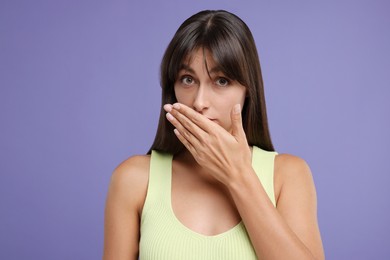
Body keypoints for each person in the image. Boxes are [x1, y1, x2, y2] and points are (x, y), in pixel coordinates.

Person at [103, 10, 324, 260]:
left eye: (221, 81)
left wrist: (238, 176)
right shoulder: (134, 179)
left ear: (247, 89)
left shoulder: (287, 175)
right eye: (187, 79)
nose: (199, 102)